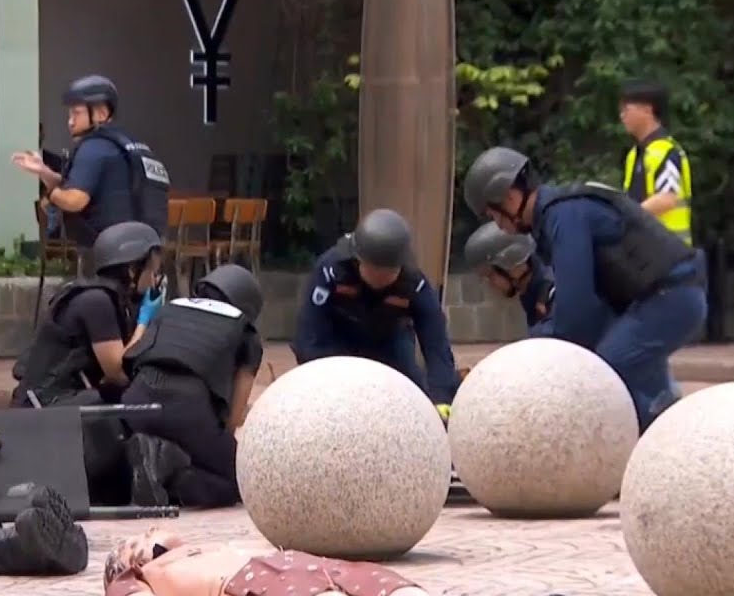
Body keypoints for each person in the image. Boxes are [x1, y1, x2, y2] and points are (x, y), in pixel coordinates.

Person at [462, 145, 706, 429]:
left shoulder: (563, 218)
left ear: (509, 196)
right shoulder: (561, 214)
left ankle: (660, 444)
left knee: (605, 375)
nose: (499, 226)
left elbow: (575, 312)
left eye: (494, 215)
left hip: (669, 297)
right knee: (629, 380)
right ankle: (663, 430)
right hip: (664, 298)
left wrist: (535, 351)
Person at [10, 221, 166, 504]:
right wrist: (146, 320)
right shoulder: (96, 302)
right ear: (132, 269)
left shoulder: (113, 300)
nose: (155, 277)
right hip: (46, 407)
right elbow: (118, 370)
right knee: (114, 404)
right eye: (151, 269)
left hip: (64, 402)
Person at [120, 264, 264, 510]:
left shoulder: (169, 309)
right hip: (188, 409)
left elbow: (130, 359)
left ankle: (154, 459)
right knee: (241, 482)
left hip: (136, 400)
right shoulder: (245, 331)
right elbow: (233, 418)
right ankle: (173, 473)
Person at [291, 208, 462, 413]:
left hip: (389, 340)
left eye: (389, 271)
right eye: (374, 269)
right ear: (358, 260)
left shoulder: (414, 283)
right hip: (337, 342)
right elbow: (310, 333)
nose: (380, 277)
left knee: (416, 398)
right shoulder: (332, 270)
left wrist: (441, 397)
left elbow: (436, 345)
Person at [12, 76, 170, 274]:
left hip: (108, 253)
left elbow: (74, 200)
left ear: (101, 113)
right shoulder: (125, 144)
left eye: (77, 113)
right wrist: (43, 171)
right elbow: (78, 185)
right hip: (143, 250)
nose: (70, 121)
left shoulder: (93, 148)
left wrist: (50, 196)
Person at [103, 527, 430, 596]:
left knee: (398, 591)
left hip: (301, 563)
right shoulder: (138, 575)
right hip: (257, 580)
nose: (147, 533)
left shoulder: (212, 546)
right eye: (136, 543)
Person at [620, 79, 694, 244]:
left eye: (626, 109)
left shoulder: (666, 151)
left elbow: (667, 199)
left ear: (647, 110)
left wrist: (627, 215)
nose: (622, 115)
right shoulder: (635, 154)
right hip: (649, 252)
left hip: (671, 254)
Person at [463, 221, 558, 337]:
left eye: (489, 275)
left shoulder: (555, 298)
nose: (490, 284)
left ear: (511, 264)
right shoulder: (533, 296)